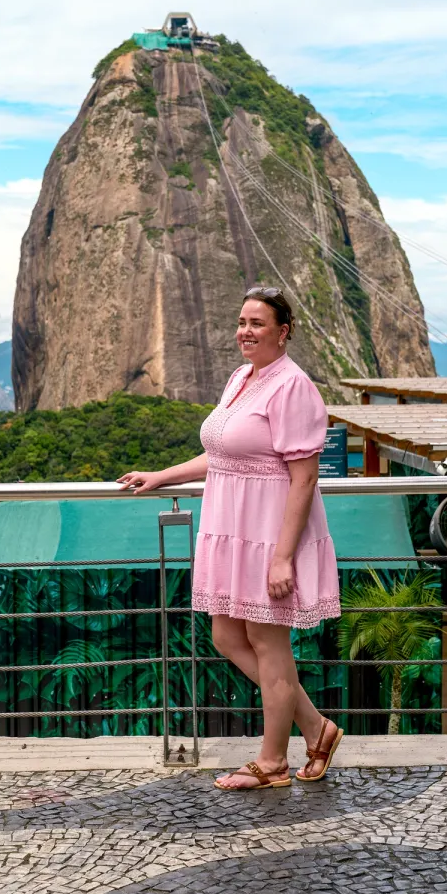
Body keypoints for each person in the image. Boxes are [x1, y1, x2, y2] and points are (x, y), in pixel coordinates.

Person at [117, 287, 342, 790]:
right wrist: (161, 475)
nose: (245, 331)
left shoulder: (293, 386)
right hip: (232, 529)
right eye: (242, 322)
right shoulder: (242, 378)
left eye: (257, 323)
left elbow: (305, 478)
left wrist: (283, 557)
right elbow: (221, 453)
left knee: (266, 642)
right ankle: (316, 728)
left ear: (283, 331)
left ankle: (273, 762)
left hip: (268, 533)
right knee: (226, 636)